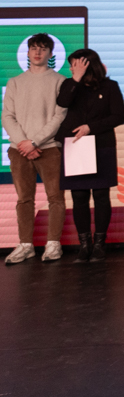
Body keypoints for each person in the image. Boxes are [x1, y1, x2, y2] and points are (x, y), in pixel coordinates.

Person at [2, 33, 67, 264]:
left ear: (51, 54)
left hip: (49, 148)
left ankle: (53, 244)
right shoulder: (15, 82)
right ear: (27, 52)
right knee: (24, 199)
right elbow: (7, 116)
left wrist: (35, 142)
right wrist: (24, 143)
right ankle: (25, 245)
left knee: (56, 198)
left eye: (43, 48)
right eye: (34, 48)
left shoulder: (60, 81)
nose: (37, 52)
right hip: (19, 150)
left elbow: (60, 116)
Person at [56, 49, 124, 263]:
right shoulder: (69, 85)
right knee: (79, 196)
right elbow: (63, 102)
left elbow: (118, 116)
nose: (71, 68)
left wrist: (91, 127)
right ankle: (84, 245)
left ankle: (99, 244)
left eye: (75, 64)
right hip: (76, 145)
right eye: (71, 65)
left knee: (101, 195)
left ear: (88, 64)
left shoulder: (110, 86)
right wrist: (75, 79)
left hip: (101, 145)